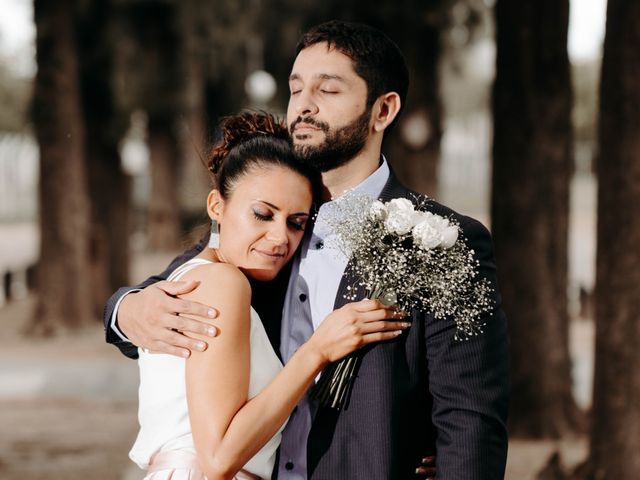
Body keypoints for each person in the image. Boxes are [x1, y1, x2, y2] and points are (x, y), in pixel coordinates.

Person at [105, 20, 509, 480]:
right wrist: (124, 309)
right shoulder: (271, 221)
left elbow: (470, 418)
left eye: (328, 90)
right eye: (296, 89)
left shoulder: (443, 240)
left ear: (383, 110)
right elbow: (185, 282)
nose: (303, 106)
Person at [128, 111, 410, 480]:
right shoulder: (224, 283)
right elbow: (218, 458)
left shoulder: (194, 280)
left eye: (296, 223)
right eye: (263, 214)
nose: (280, 238)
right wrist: (317, 350)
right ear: (217, 206)